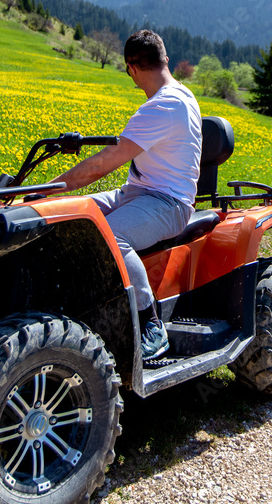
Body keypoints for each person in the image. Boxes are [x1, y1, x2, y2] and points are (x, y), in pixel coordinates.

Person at [52, 30, 202, 360]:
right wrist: (49, 199)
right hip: (138, 192)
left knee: (111, 236)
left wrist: (44, 189)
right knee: (68, 209)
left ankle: (151, 324)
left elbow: (99, 167)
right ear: (164, 58)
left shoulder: (164, 106)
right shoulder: (179, 95)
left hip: (168, 203)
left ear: (131, 69)